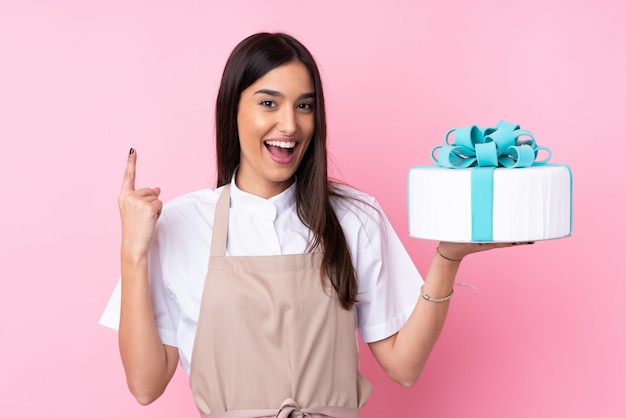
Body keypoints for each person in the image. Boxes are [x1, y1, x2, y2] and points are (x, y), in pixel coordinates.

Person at [100, 32, 526, 417]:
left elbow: (404, 367)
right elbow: (145, 385)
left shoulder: (354, 215)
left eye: (304, 106)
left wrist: (447, 258)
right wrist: (133, 253)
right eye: (269, 103)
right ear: (233, 109)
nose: (290, 124)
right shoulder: (180, 224)